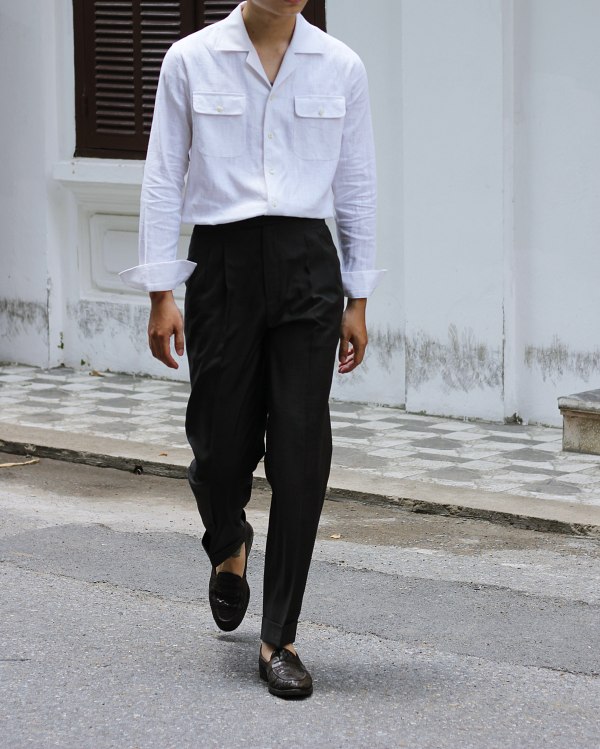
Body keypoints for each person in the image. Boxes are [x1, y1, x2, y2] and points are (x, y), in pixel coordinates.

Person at [119, 0, 386, 699]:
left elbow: (357, 181)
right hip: (222, 264)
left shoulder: (340, 66)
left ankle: (280, 637)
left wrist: (358, 296)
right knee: (217, 445)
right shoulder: (190, 58)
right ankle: (228, 540)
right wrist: (160, 291)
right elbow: (162, 175)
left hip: (307, 266)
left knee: (301, 448)